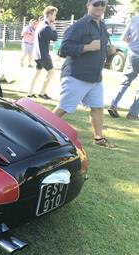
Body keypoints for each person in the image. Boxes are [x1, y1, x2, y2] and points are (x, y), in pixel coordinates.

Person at [53, 0, 117, 148]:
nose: (100, 7)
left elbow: (100, 49)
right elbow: (63, 49)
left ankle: (99, 138)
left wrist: (109, 51)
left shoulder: (102, 25)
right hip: (77, 75)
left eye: (103, 4)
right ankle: (42, 132)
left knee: (97, 107)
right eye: (96, 4)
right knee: (63, 108)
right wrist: (87, 47)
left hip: (95, 77)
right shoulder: (79, 25)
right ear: (88, 5)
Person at [108, 15, 139, 120]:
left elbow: (124, 38)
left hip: (133, 54)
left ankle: (114, 104)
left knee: (125, 80)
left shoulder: (135, 18)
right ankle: (133, 113)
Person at [28, 6, 58, 99]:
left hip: (36, 55)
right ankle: (42, 93)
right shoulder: (46, 27)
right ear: (49, 15)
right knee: (51, 72)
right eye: (54, 15)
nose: (55, 17)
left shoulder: (40, 25)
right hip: (43, 55)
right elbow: (55, 37)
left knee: (37, 73)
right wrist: (53, 27)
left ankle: (30, 93)